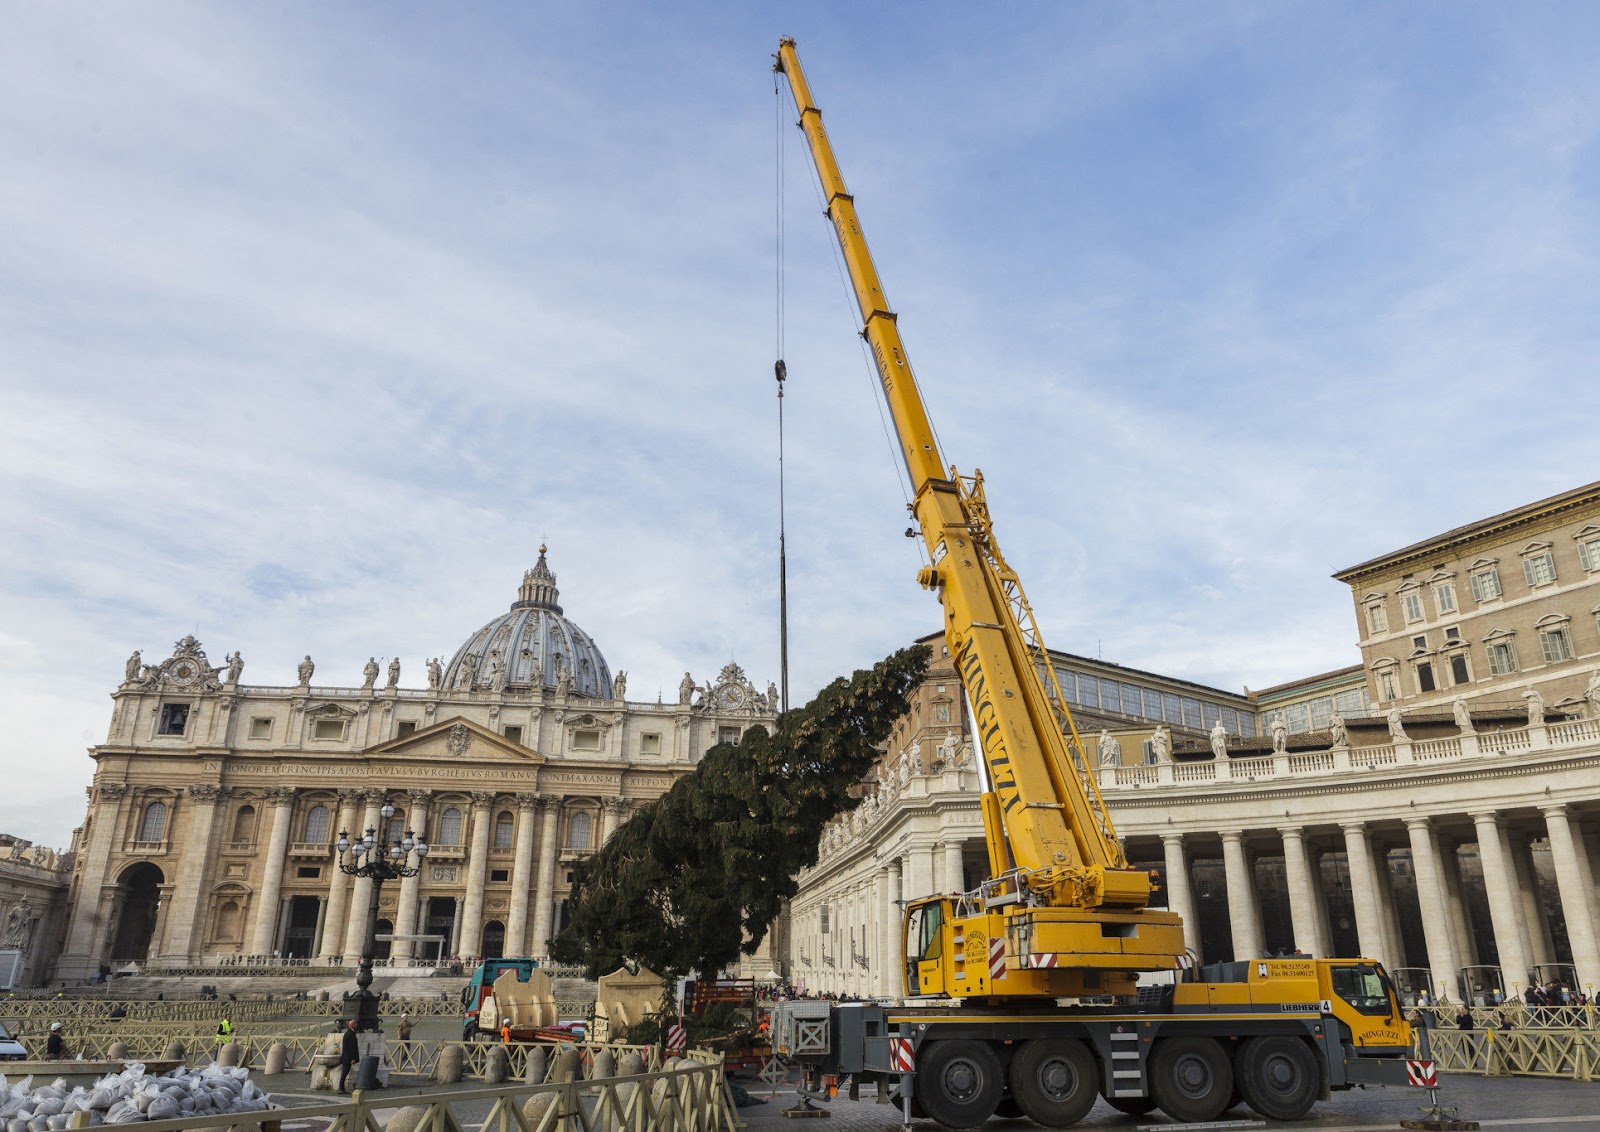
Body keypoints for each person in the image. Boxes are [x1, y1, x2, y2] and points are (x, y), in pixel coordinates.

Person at [338, 1018, 360, 1094]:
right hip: (348, 1058)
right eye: (356, 1024)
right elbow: (351, 1048)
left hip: (346, 1057)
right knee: (344, 1073)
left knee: (345, 1073)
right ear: (352, 1025)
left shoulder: (349, 1033)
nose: (357, 1025)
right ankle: (341, 1088)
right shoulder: (350, 1035)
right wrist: (353, 1058)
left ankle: (341, 1088)